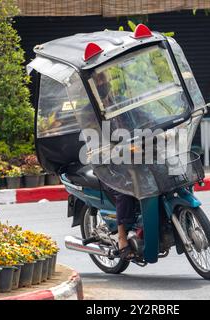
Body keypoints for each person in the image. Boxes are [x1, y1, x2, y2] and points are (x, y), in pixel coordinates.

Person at [93, 71, 137, 260]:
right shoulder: (90, 110)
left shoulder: (120, 101)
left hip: (133, 155)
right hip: (107, 164)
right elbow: (91, 137)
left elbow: (141, 115)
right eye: (98, 80)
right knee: (124, 188)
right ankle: (122, 237)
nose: (102, 83)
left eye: (103, 78)